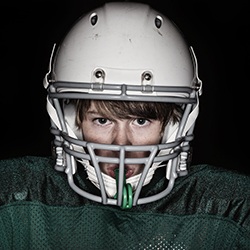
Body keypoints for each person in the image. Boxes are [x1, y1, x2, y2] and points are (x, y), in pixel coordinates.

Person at [0, 1, 249, 249]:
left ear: (172, 126)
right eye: (102, 120)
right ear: (71, 122)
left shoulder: (229, 210)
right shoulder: (15, 196)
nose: (121, 143)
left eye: (141, 121)